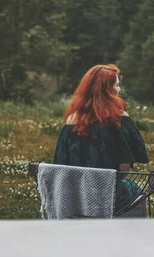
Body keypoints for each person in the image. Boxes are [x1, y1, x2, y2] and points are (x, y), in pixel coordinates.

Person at [53, 64, 149, 208]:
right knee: (135, 189)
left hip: (77, 197)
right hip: (109, 195)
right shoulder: (119, 119)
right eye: (117, 85)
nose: (119, 89)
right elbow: (124, 170)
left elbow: (62, 166)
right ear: (107, 90)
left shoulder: (71, 120)